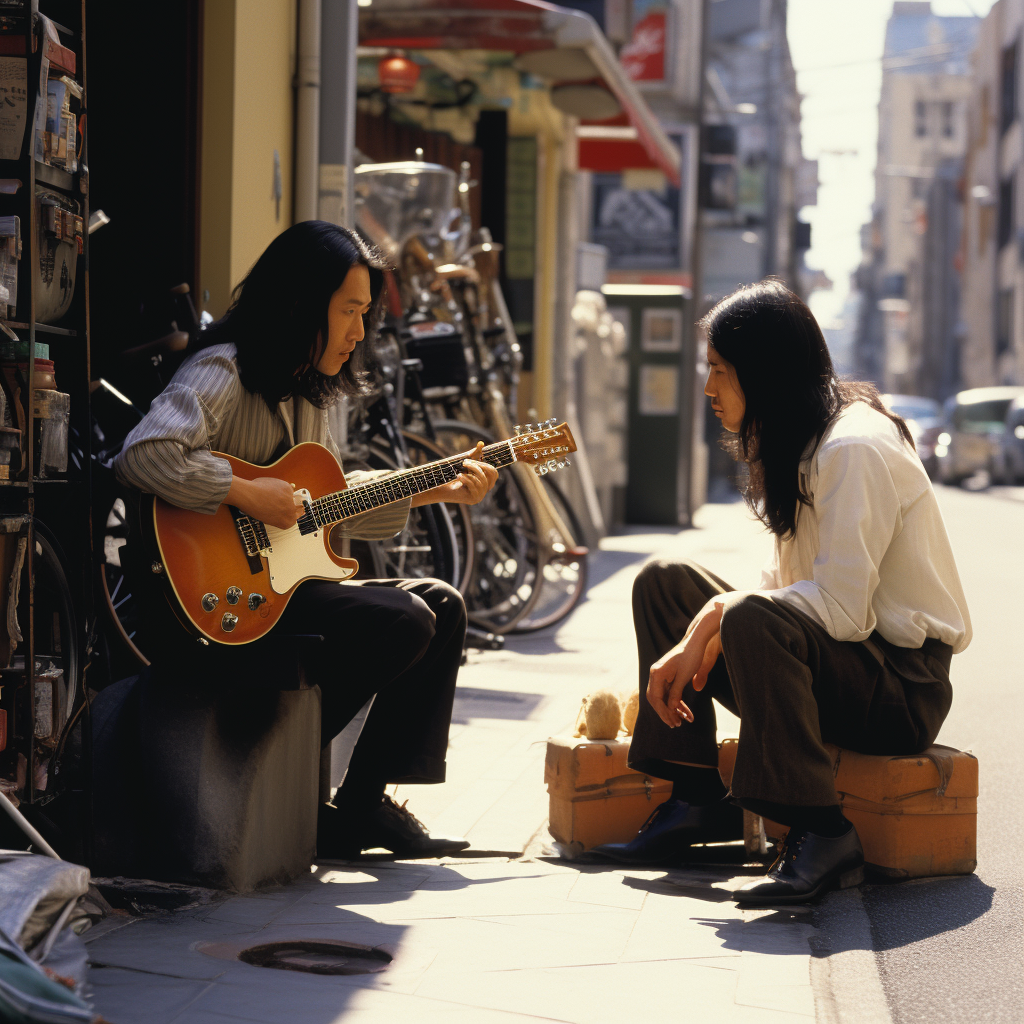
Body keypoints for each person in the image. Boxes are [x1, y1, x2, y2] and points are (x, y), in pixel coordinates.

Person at [114, 221, 499, 860]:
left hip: (280, 593)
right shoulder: (224, 371)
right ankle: (277, 765)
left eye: (365, 314)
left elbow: (326, 503)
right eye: (348, 311)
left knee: (442, 604)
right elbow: (142, 455)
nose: (359, 332)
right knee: (401, 618)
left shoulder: (309, 392)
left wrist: (437, 489)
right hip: (209, 608)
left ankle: (359, 806)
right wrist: (243, 492)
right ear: (300, 305)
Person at [590, 280, 971, 904]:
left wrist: (721, 616)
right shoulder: (802, 438)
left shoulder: (854, 448)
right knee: (665, 582)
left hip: (901, 690)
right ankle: (694, 801)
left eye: (720, 370)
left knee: (739, 612)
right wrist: (714, 619)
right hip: (844, 667)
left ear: (764, 372)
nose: (708, 388)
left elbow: (843, 611)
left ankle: (821, 829)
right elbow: (787, 583)